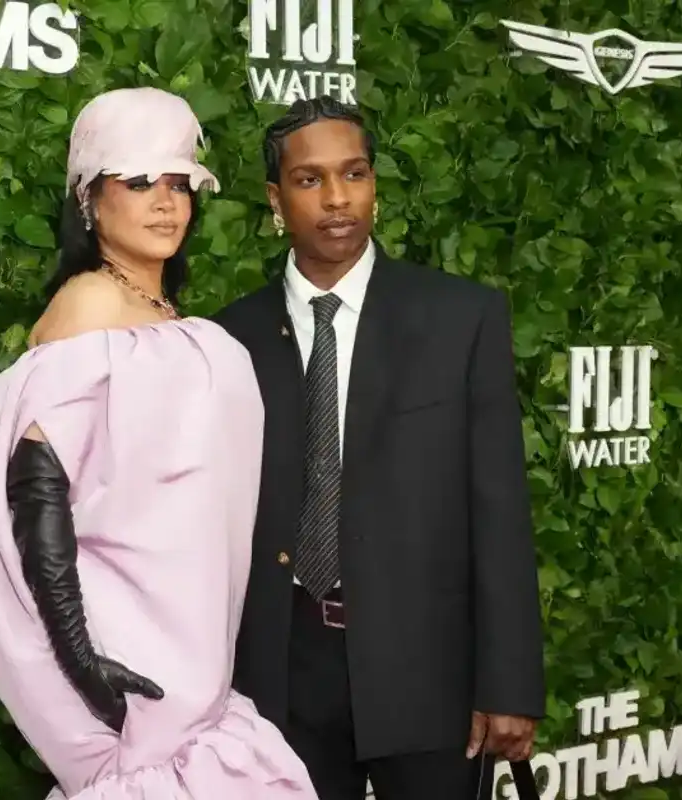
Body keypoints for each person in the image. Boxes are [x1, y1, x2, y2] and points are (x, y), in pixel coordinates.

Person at [0, 87, 318, 800]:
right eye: (138, 181)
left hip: (189, 644)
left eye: (179, 183)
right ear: (89, 200)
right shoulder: (90, 304)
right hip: (129, 644)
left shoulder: (166, 317)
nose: (166, 202)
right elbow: (38, 484)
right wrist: (79, 654)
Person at [212, 95, 546, 799]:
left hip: (430, 673)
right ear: (275, 200)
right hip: (282, 676)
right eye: (309, 179)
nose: (337, 198)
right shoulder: (228, 339)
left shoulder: (460, 318)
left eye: (354, 174)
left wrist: (509, 683)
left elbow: (499, 511)